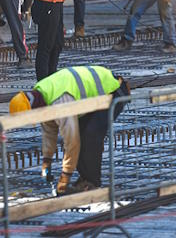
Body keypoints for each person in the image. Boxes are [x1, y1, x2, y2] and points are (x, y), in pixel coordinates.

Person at [9, 65, 129, 195]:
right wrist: (46, 163)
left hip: (113, 91)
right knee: (83, 133)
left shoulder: (60, 102)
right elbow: (49, 133)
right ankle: (85, 179)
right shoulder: (41, 96)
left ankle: (92, 183)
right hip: (95, 99)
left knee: (89, 136)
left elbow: (72, 143)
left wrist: (64, 178)